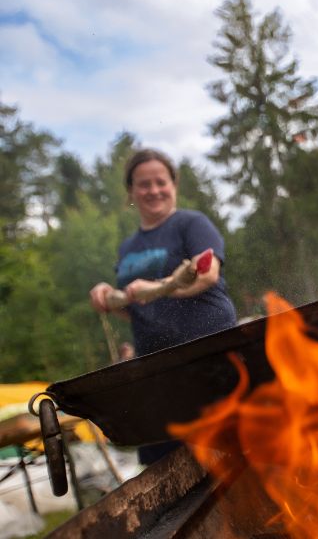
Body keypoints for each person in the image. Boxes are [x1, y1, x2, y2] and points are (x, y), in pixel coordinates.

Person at [89, 148, 237, 464]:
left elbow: (207, 274)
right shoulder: (128, 246)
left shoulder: (192, 224)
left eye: (161, 181)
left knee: (230, 456)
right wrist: (107, 298)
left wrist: (157, 288)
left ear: (174, 185)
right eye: (144, 184)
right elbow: (135, 307)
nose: (153, 190)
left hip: (208, 359)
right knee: (167, 466)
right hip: (156, 372)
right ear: (131, 192)